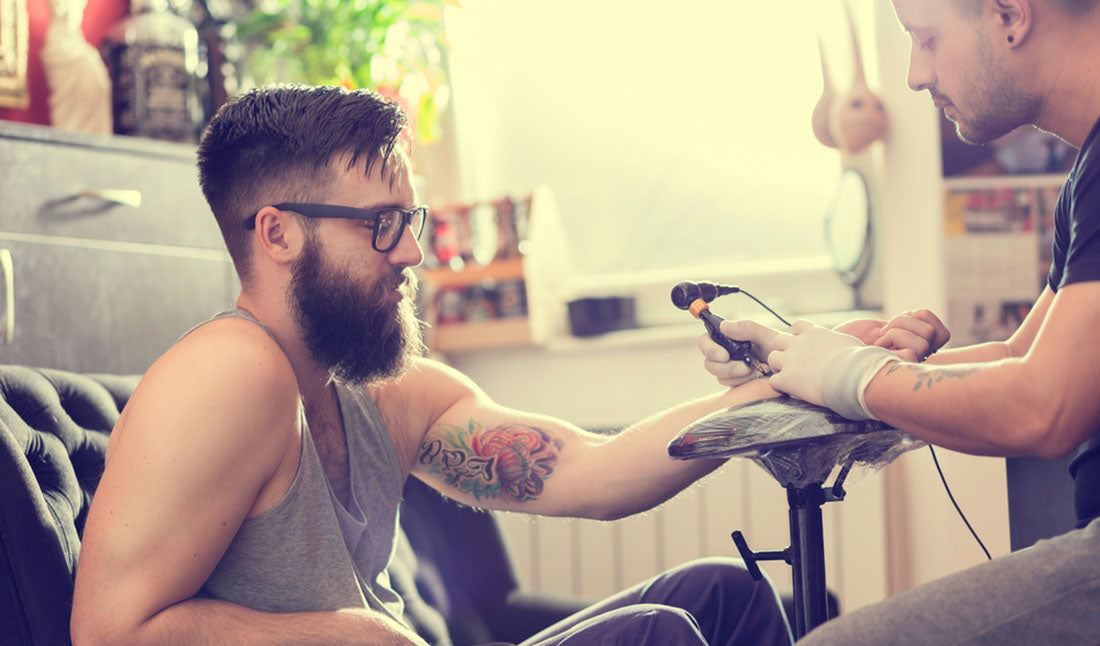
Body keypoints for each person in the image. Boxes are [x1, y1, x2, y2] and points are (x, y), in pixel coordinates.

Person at [69, 84, 798, 646]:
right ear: (278, 233)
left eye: (409, 222)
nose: (412, 254)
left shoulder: (382, 393)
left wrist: (782, 388)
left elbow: (591, 472)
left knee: (725, 594)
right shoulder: (226, 371)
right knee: (659, 636)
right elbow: (106, 632)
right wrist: (350, 635)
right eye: (380, 225)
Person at [700, 0, 1100, 643]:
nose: (914, 74)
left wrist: (855, 374)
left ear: (1010, 15)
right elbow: (1023, 360)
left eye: (926, 38)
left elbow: (1040, 407)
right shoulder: (1087, 175)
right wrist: (802, 359)